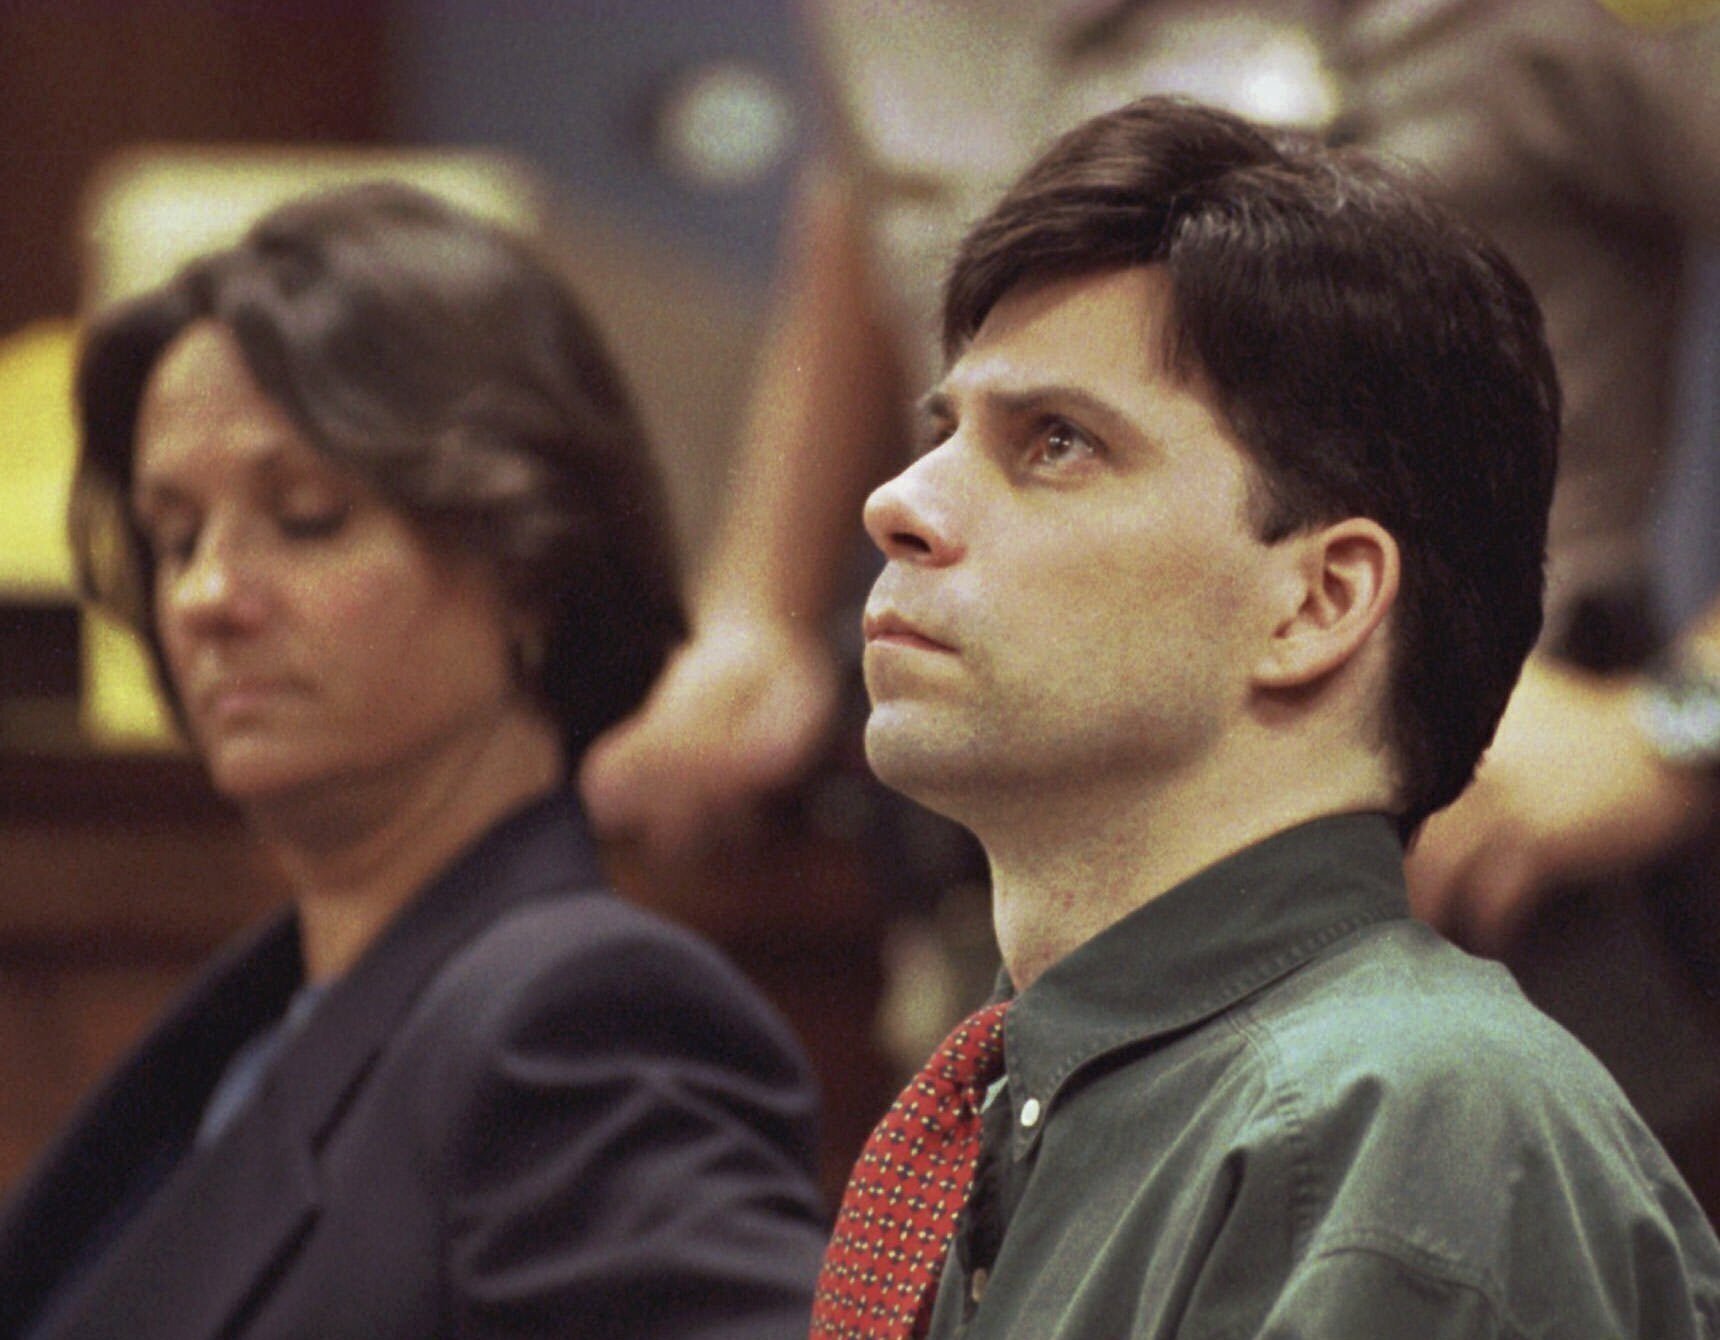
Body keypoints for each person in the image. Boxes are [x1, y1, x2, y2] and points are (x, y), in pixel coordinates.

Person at [582, 0, 1720, 1192]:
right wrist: (756, 603)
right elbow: (874, 201)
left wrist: (1667, 728)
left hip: (1456, 870)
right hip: (1034, 892)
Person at [808, 96, 1720, 1338]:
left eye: (1057, 441)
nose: (896, 502)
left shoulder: (1400, 1131)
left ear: (1315, 601)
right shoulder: (1034, 1104)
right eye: (940, 431)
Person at [0, 182, 826, 1339]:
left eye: (306, 516)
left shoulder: (573, 1023)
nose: (205, 596)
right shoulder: (260, 1016)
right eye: (176, 534)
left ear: (527, 555)